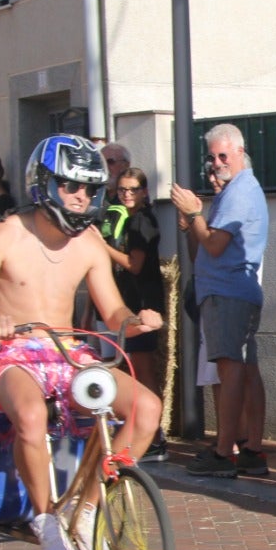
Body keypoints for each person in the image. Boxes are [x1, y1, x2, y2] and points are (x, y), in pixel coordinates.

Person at [0, 134, 164, 550]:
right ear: (45, 184)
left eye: (89, 189)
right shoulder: (3, 234)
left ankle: (88, 508)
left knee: (147, 408)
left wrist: (135, 320)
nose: (80, 197)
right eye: (71, 186)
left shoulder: (89, 242)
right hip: (9, 354)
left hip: (67, 354)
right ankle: (45, 517)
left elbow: (113, 312)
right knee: (31, 416)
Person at [170, 123, 270, 478]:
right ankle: (251, 450)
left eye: (223, 155)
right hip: (226, 291)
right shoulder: (235, 191)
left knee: (230, 372)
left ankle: (225, 450)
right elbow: (204, 247)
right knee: (244, 371)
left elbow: (214, 245)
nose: (216, 163)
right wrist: (192, 222)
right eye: (212, 157)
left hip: (229, 293)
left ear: (240, 153)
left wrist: (195, 214)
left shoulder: (241, 191)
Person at [100, 165, 169, 461]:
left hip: (144, 305)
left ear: (144, 192)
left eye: (133, 190)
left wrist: (100, 248)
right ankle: (142, 433)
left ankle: (155, 436)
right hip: (129, 305)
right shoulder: (124, 219)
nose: (127, 195)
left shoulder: (142, 220)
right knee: (132, 369)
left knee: (143, 371)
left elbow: (135, 264)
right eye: (123, 190)